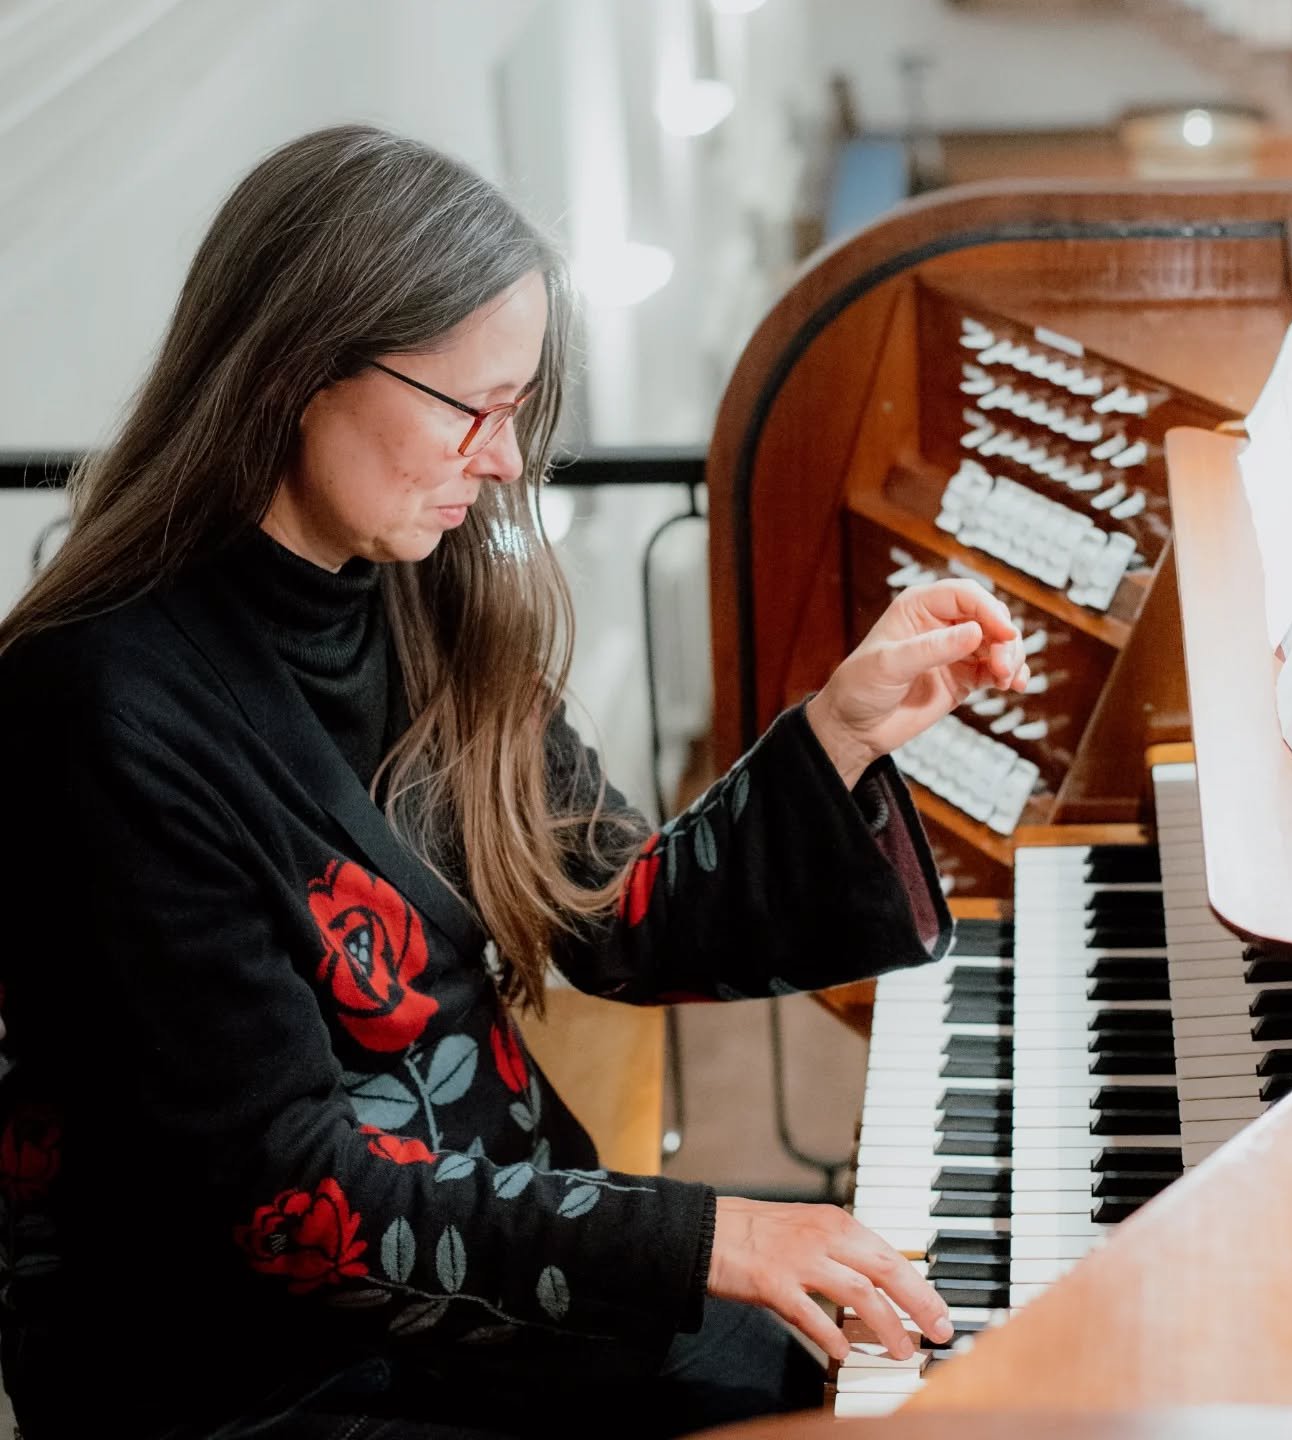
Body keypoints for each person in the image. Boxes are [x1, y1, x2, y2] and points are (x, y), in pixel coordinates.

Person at [0, 125, 1028, 1440]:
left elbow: (616, 913)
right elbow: (288, 1198)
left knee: (844, 1377)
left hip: (469, 1272)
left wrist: (838, 731)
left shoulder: (421, 598)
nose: (499, 460)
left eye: (518, 409)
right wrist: (702, 1236)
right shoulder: (100, 707)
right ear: (296, 369)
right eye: (470, 408)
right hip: (249, 1370)